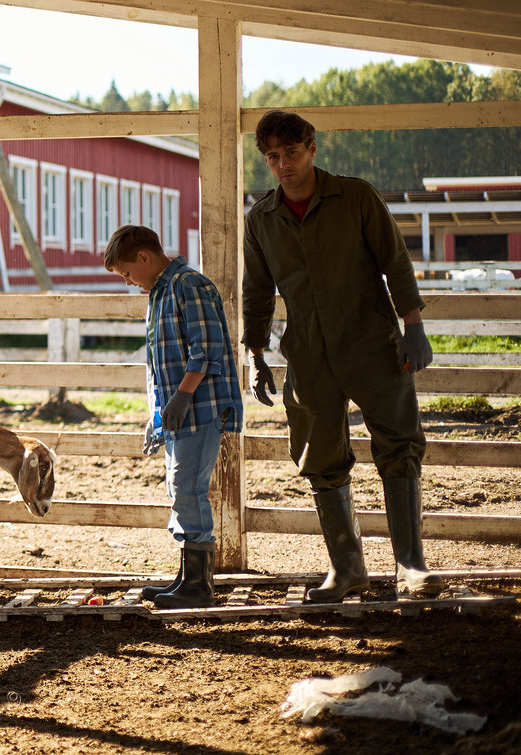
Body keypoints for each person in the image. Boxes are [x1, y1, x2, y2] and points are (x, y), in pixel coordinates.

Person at [243, 109, 443, 601]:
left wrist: (413, 325)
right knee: (319, 454)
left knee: (398, 445)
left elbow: (395, 259)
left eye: (292, 152)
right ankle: (347, 567)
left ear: (312, 149)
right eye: (273, 156)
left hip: (372, 339)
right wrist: (254, 352)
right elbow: (257, 289)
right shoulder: (261, 218)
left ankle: (409, 566)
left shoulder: (355, 196)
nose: (283, 164)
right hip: (308, 350)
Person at [104, 224, 243, 608]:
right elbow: (161, 362)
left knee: (188, 489)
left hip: (199, 409)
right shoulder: (160, 294)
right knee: (179, 489)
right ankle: (188, 576)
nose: (129, 282)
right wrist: (160, 413)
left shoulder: (188, 286)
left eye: (127, 273)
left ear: (144, 258)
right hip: (179, 413)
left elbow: (206, 350)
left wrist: (182, 397)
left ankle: (199, 586)